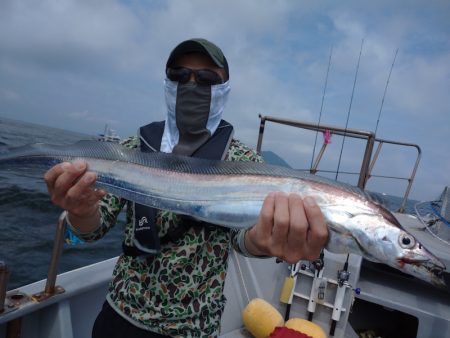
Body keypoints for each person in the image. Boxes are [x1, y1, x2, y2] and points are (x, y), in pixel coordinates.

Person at [44, 38, 328, 338]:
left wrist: (267, 239)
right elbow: (94, 228)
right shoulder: (134, 150)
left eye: (206, 79)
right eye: (179, 76)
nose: (191, 85)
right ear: (168, 84)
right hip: (120, 312)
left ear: (224, 91)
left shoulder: (244, 163)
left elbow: (245, 239)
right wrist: (80, 210)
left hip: (193, 327)